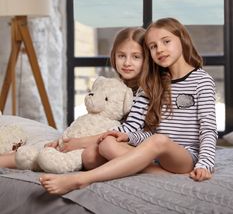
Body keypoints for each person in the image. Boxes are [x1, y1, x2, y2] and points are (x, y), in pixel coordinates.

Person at [40, 17, 218, 195]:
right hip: (155, 156)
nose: (160, 49)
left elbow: (208, 130)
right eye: (153, 46)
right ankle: (152, 170)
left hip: (185, 157)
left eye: (166, 41)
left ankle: (81, 180)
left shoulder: (201, 81)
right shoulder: (153, 83)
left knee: (159, 140)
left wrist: (205, 164)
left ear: (183, 39)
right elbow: (149, 133)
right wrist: (127, 137)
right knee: (104, 147)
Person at [0, 27, 149, 170]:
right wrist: (66, 139)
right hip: (100, 138)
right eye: (121, 56)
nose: (127, 62)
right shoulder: (113, 86)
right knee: (49, 147)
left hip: (124, 144)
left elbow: (128, 130)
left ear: (147, 59)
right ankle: (14, 159)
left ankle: (32, 160)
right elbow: (93, 120)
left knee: (88, 155)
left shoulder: (144, 92)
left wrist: (81, 142)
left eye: (136, 57)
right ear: (114, 55)